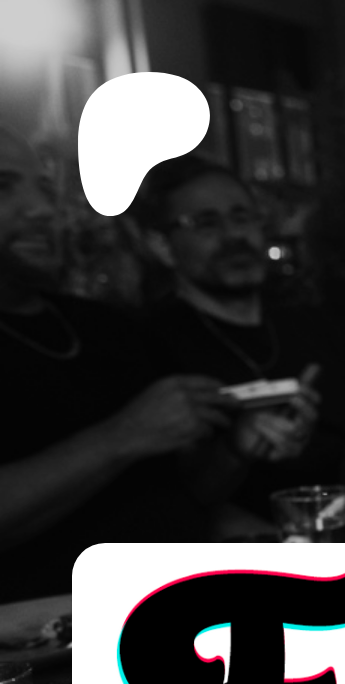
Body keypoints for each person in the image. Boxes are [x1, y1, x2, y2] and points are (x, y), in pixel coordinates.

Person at [0, 129, 239, 602]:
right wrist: (122, 436)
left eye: (46, 189)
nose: (43, 210)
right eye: (3, 187)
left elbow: (184, 495)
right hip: (48, 633)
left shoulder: (104, 326)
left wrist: (238, 451)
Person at [133, 156, 345, 510]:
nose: (234, 236)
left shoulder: (310, 323)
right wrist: (235, 449)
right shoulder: (146, 344)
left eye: (242, 217)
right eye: (207, 224)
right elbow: (164, 503)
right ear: (161, 245)